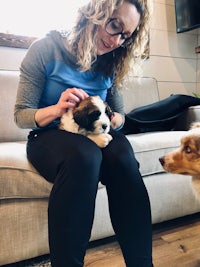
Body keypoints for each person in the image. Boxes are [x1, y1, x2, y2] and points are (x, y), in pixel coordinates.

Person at [14, 0, 153, 266]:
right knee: (85, 155)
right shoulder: (45, 49)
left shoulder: (111, 63)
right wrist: (56, 109)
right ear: (95, 12)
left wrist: (113, 117)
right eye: (115, 25)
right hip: (49, 136)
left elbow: (120, 119)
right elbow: (21, 115)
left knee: (122, 154)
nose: (116, 41)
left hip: (94, 131)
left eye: (126, 36)